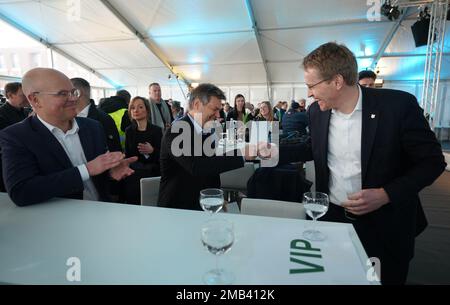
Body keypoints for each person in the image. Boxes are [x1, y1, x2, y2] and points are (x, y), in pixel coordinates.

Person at [279, 42, 446, 285]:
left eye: (311, 86)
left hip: (385, 226)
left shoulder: (397, 106)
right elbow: (312, 148)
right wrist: (271, 152)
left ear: (337, 81)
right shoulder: (317, 112)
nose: (309, 94)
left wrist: (386, 194)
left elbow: (432, 162)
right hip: (333, 220)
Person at [0, 68, 138, 206]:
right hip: (59, 222)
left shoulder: (93, 127)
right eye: (62, 94)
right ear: (35, 100)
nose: (73, 98)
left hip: (100, 212)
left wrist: (109, 171)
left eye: (73, 92)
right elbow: (21, 192)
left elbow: (97, 176)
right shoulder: (17, 137)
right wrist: (86, 169)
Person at [158, 83, 259, 211]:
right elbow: (197, 166)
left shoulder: (206, 130)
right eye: (214, 109)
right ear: (197, 105)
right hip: (177, 208)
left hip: (202, 205)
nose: (218, 115)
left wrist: (217, 199)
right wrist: (241, 154)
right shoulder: (177, 130)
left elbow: (211, 170)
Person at [124, 97, 162, 204]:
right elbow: (128, 156)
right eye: (133, 108)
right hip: (134, 177)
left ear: (147, 110)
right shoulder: (129, 131)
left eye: (140, 107)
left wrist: (152, 151)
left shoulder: (156, 131)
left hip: (151, 176)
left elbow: (163, 156)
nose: (136, 110)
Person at [71, 78, 122, 153]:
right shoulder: (65, 118)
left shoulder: (103, 119)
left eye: (66, 93)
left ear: (77, 93)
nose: (64, 97)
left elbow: (114, 150)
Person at [0, 82, 31, 192]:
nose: (27, 98)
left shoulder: (26, 111)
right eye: (22, 95)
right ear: (10, 95)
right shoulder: (2, 115)